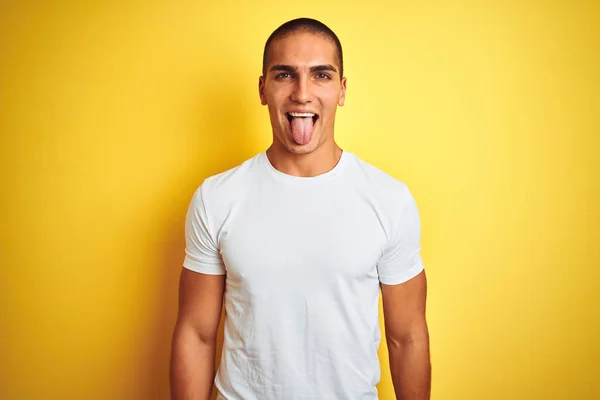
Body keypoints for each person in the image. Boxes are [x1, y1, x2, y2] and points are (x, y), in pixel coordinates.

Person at [170, 17, 431, 400]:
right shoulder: (217, 197)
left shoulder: (389, 199)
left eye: (321, 75)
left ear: (342, 90)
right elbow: (196, 332)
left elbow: (407, 337)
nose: (302, 93)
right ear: (262, 88)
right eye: (284, 75)